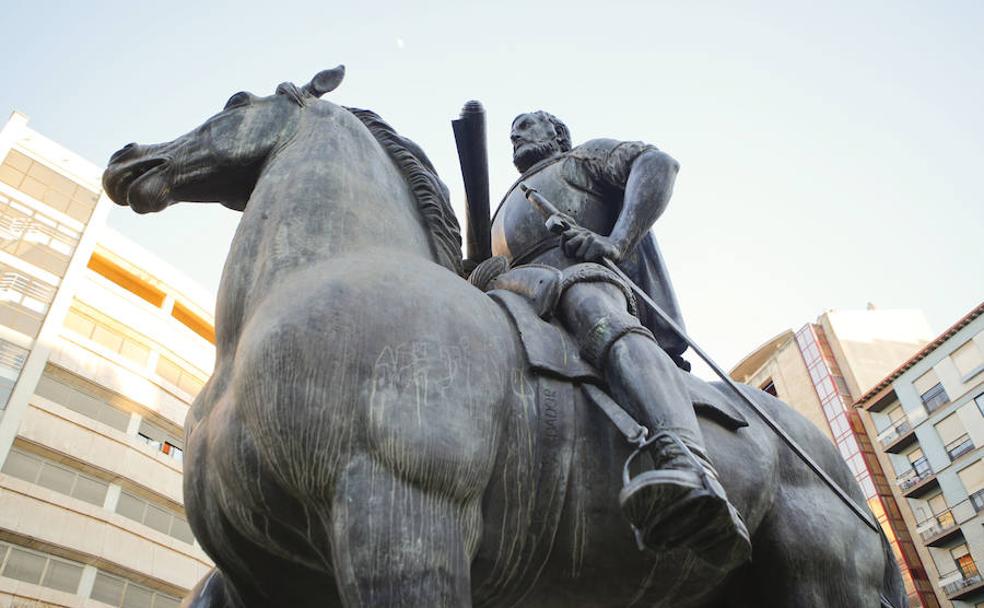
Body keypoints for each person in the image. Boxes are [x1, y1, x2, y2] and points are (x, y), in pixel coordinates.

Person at [485, 111, 750, 571]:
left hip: (582, 279)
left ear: (558, 134)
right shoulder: (497, 213)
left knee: (594, 310)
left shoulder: (580, 159)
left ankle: (686, 460)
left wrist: (616, 241)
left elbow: (657, 164)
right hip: (519, 294)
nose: (516, 133)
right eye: (512, 130)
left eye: (528, 124)